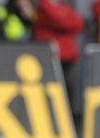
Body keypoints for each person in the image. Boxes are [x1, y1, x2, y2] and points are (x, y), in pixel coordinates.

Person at [31, 0, 84, 130]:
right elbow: (62, 21)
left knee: (67, 91)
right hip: (51, 57)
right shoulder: (44, 5)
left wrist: (66, 17)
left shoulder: (62, 5)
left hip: (67, 57)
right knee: (52, 91)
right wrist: (67, 18)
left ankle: (67, 125)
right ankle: (49, 123)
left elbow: (78, 24)